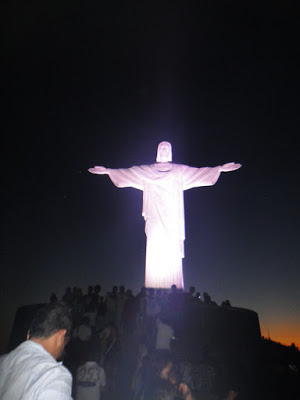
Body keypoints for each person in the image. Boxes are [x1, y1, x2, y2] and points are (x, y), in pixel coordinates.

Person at [89, 141, 241, 289]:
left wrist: (219, 169)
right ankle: (153, 289)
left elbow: (199, 173)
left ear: (170, 152)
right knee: (155, 249)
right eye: (161, 148)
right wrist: (109, 171)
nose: (163, 151)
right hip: (154, 217)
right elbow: (128, 173)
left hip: (172, 219)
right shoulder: (147, 171)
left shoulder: (179, 171)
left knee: (171, 252)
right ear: (157, 151)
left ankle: (175, 291)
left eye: (166, 148)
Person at [0, 302, 73, 400]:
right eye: (65, 343)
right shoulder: (53, 375)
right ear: (61, 336)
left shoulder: (2, 361)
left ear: (28, 334)